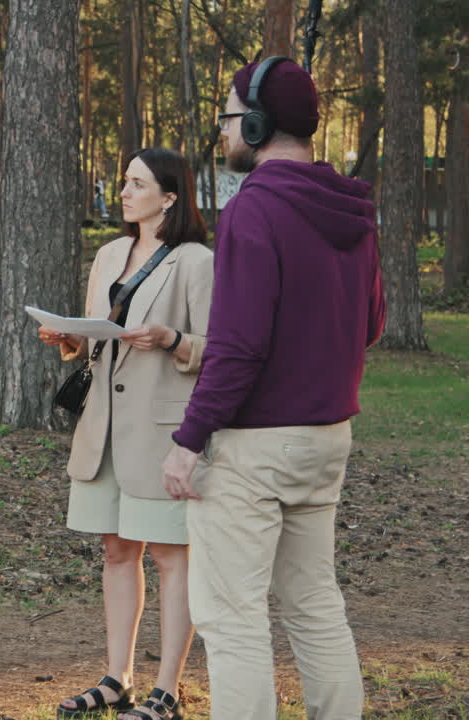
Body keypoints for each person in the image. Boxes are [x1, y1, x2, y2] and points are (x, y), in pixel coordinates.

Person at [161, 57, 386, 720]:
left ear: (256, 124)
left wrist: (189, 439)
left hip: (254, 449)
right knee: (315, 604)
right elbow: (371, 325)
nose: (224, 131)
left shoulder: (255, 208)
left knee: (231, 620)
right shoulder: (352, 207)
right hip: (326, 439)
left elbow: (237, 347)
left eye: (229, 118)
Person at [40, 148, 212, 720]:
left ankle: (167, 688)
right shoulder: (110, 252)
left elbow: (217, 351)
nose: (124, 190)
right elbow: (100, 338)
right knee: (117, 550)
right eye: (124, 180)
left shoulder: (195, 261)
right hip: (104, 429)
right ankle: (118, 679)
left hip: (160, 431)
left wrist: (169, 339)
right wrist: (68, 339)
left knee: (168, 554)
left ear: (170, 196)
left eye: (138, 183)